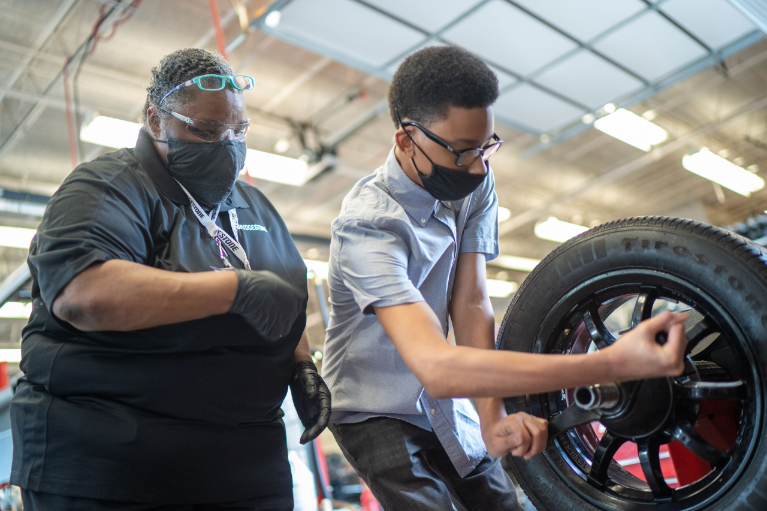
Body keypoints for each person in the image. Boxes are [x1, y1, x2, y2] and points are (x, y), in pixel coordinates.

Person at [321, 46, 687, 511]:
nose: (479, 167)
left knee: (501, 503)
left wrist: (493, 417)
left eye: (487, 145)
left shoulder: (474, 183)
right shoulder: (366, 227)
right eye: (462, 151)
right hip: (376, 406)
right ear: (405, 141)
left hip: (447, 396)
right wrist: (610, 364)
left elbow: (471, 302)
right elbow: (435, 366)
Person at [10, 48, 330, 511]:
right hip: (118, 466)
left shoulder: (255, 208)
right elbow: (83, 294)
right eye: (204, 131)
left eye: (238, 132)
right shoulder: (108, 186)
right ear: (156, 121)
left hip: (246, 465)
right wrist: (233, 290)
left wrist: (301, 365)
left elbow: (283, 300)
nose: (227, 146)